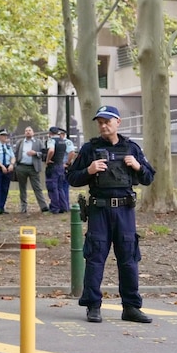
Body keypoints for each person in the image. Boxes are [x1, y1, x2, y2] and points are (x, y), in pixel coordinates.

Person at [67, 105, 155, 324]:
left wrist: (137, 166)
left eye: (107, 121)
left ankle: (131, 307)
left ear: (118, 122)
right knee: (95, 258)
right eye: (100, 122)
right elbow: (72, 178)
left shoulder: (131, 148)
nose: (104, 125)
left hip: (125, 211)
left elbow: (148, 177)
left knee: (129, 259)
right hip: (99, 210)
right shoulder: (90, 149)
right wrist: (89, 170)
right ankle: (93, 306)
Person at [13, 126, 50, 213]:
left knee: (37, 187)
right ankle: (23, 207)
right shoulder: (20, 142)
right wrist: (15, 165)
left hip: (33, 168)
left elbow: (44, 153)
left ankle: (43, 206)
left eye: (29, 130)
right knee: (22, 188)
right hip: (21, 167)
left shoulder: (38, 142)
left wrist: (35, 153)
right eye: (26, 131)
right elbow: (15, 153)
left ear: (33, 132)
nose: (28, 132)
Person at [45, 126, 67, 214]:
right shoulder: (63, 141)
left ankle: (55, 208)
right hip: (60, 165)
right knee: (60, 187)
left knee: (52, 187)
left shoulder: (51, 140)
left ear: (50, 133)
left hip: (53, 166)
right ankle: (63, 207)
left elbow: (51, 151)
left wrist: (47, 160)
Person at [60, 128, 76, 212]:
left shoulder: (67, 142)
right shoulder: (59, 142)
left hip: (64, 167)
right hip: (60, 166)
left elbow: (72, 152)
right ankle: (63, 205)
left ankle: (65, 205)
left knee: (64, 186)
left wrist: (67, 163)